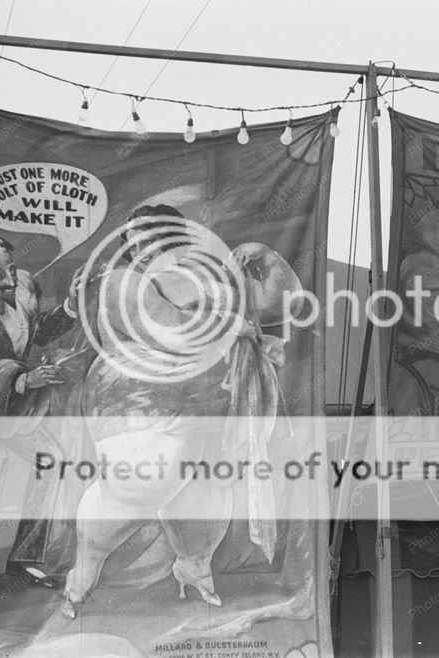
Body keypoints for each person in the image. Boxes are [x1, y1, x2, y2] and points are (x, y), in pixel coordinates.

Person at [62, 205, 298, 618]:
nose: (140, 244)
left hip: (211, 404)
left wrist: (266, 256)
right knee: (144, 479)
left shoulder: (216, 278)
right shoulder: (121, 281)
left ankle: (194, 566)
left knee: (207, 487)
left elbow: (283, 303)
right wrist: (229, 327)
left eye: (150, 234)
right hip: (136, 399)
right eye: (132, 238)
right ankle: (85, 568)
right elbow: (164, 327)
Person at [0, 233, 83, 588]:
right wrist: (22, 379)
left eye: (10, 269)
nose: (9, 280)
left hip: (14, 413)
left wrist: (70, 305)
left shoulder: (20, 290)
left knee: (48, 460)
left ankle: (21, 557)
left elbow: (38, 333)